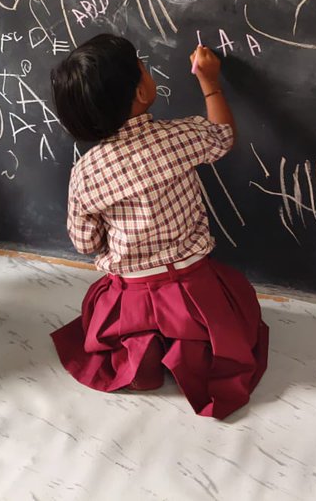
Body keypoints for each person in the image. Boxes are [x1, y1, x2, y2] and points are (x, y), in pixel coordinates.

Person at [49, 34, 269, 420]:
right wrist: (210, 82)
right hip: (193, 286)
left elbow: (85, 243)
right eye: (144, 68)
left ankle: (140, 354)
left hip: (131, 293)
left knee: (105, 299)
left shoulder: (85, 172)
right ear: (141, 90)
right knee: (231, 302)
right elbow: (223, 137)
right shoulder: (178, 137)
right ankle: (191, 347)